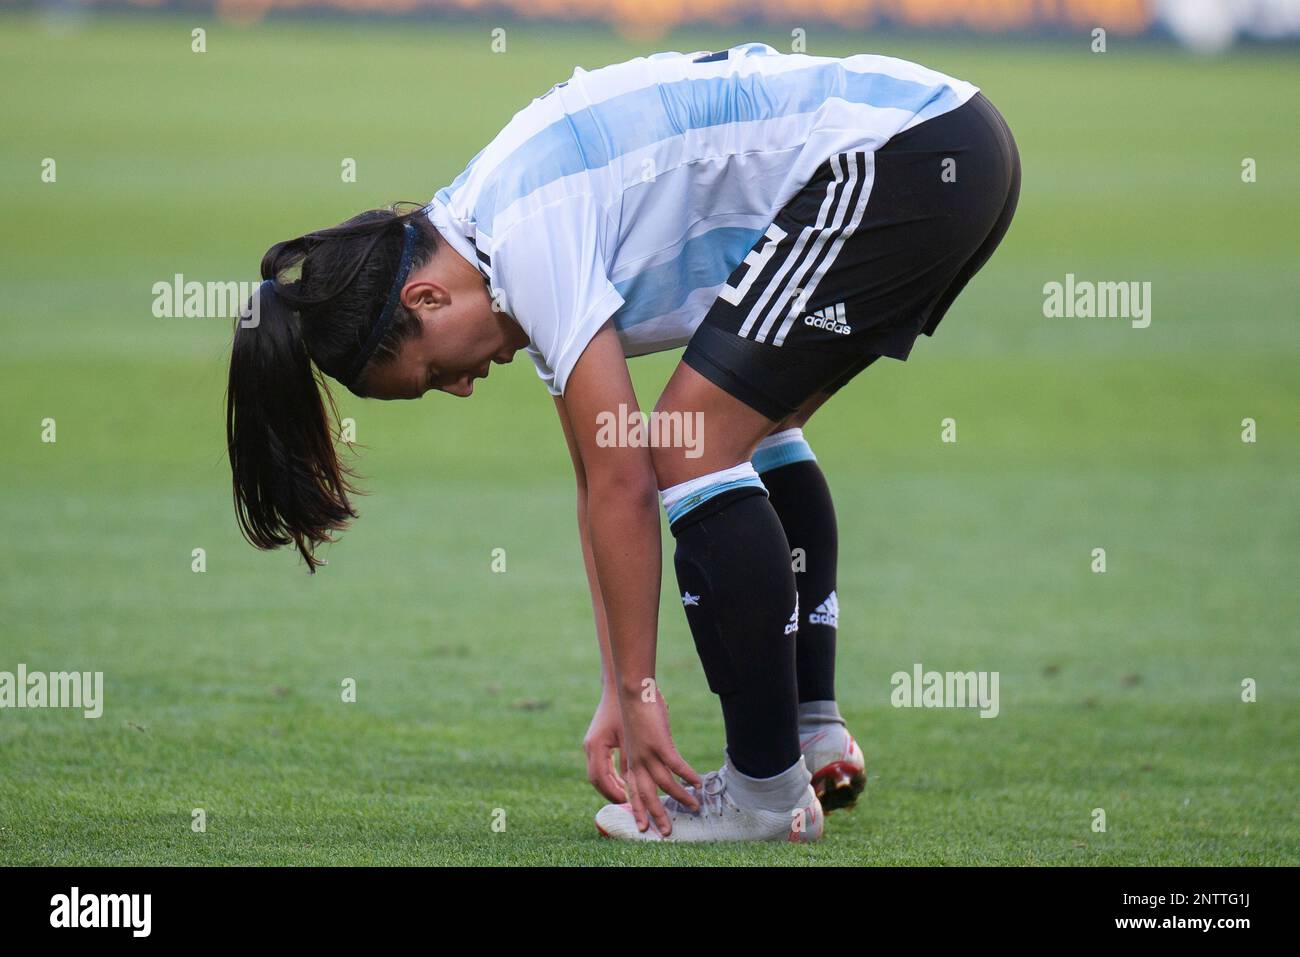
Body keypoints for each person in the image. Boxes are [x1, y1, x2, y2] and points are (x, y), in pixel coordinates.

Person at [226, 42, 1020, 843]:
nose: (464, 386)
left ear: (426, 297)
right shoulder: (494, 235)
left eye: (435, 372)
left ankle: (766, 794)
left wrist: (644, 693)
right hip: (948, 143)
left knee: (693, 441)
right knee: (754, 427)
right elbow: (594, 482)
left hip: (907, 157)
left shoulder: (523, 235)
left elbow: (626, 481)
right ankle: (808, 732)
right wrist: (617, 684)